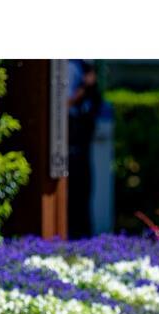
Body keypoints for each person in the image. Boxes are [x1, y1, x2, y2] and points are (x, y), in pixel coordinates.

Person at [67, 59, 101, 239]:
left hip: (82, 146)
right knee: (73, 193)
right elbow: (64, 103)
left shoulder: (84, 68)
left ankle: (84, 236)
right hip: (68, 144)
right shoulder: (70, 66)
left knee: (83, 192)